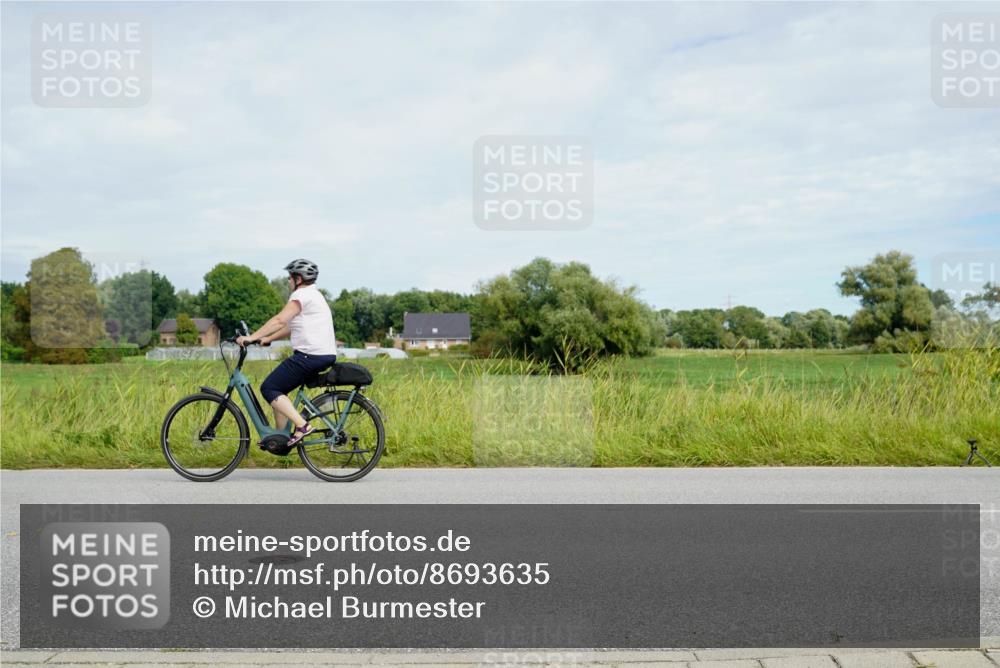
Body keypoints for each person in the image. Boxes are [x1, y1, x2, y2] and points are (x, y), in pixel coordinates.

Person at [236, 259, 337, 447]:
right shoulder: (315, 295)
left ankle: (302, 426)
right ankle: (281, 438)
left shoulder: (301, 295)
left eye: (290, 278)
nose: (288, 281)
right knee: (279, 390)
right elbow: (291, 326)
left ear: (298, 278)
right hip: (321, 355)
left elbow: (280, 320)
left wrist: (250, 338)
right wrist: (267, 339)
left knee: (269, 388)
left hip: (309, 356)